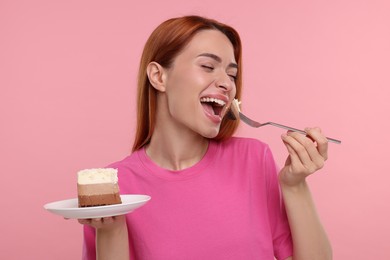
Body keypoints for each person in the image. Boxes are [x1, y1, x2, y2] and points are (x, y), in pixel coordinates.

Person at [78, 15, 333, 260]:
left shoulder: (253, 159)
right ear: (159, 76)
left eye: (231, 74)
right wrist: (110, 231)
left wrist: (294, 185)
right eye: (208, 66)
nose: (227, 83)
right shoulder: (113, 188)